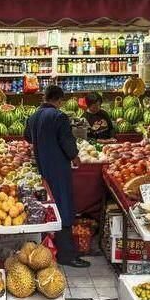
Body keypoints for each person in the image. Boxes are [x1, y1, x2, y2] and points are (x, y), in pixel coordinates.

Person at [24, 85, 90, 268]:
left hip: (42, 169)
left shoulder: (34, 116)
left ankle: (45, 250)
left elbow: (27, 137)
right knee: (64, 208)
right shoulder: (59, 116)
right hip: (59, 169)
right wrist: (74, 157)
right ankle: (66, 255)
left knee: (46, 208)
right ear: (59, 100)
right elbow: (67, 142)